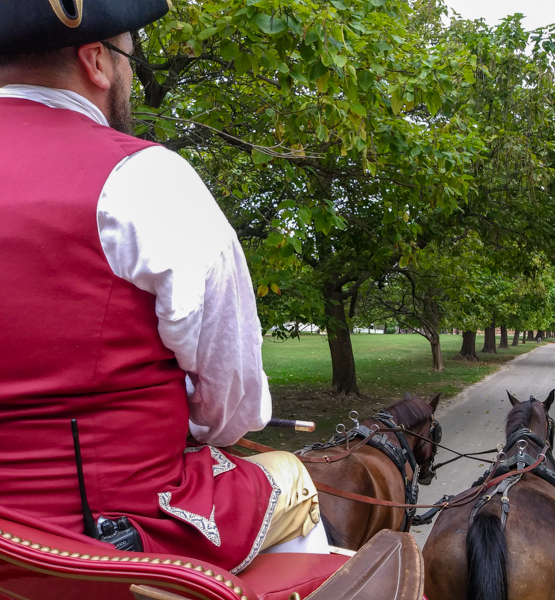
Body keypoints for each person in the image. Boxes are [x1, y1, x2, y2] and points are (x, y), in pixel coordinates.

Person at [0, 1, 326, 574]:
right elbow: (236, 403)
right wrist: (197, 425)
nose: (129, 76)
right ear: (97, 61)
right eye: (130, 57)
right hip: (111, 533)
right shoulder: (144, 178)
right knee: (292, 476)